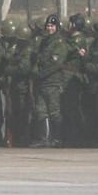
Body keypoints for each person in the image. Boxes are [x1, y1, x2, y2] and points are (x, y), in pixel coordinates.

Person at [30, 11, 75, 147]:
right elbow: (39, 59)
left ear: (57, 27)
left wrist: (41, 73)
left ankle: (57, 138)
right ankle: (45, 138)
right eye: (48, 26)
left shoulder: (59, 42)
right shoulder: (45, 42)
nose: (50, 28)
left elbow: (56, 63)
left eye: (52, 26)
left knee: (54, 111)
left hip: (53, 81)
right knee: (41, 111)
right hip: (42, 82)